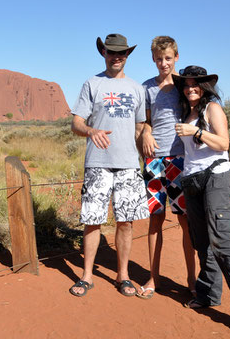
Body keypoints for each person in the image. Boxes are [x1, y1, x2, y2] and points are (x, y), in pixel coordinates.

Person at [173, 66, 230, 335]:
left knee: (222, 239)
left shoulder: (212, 108)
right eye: (186, 85)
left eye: (195, 85)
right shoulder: (186, 112)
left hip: (217, 178)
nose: (190, 89)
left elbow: (224, 143)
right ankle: (208, 294)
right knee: (201, 241)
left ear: (205, 87)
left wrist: (196, 133)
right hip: (192, 180)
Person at [69, 33, 149, 298]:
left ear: (127, 56)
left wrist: (144, 162)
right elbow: (76, 123)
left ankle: (123, 276)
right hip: (97, 164)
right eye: (112, 52)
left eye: (122, 53)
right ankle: (87, 276)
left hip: (128, 166)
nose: (117, 57)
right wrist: (91, 131)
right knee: (92, 221)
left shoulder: (137, 89)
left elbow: (139, 128)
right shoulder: (92, 84)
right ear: (103, 53)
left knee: (126, 222)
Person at [137, 36, 196, 300]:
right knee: (155, 220)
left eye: (168, 58)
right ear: (153, 59)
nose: (164, 63)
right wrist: (146, 133)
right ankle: (153, 277)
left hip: (180, 160)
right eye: (159, 58)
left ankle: (192, 281)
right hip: (154, 162)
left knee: (186, 221)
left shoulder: (186, 86)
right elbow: (144, 122)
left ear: (176, 57)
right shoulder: (146, 88)